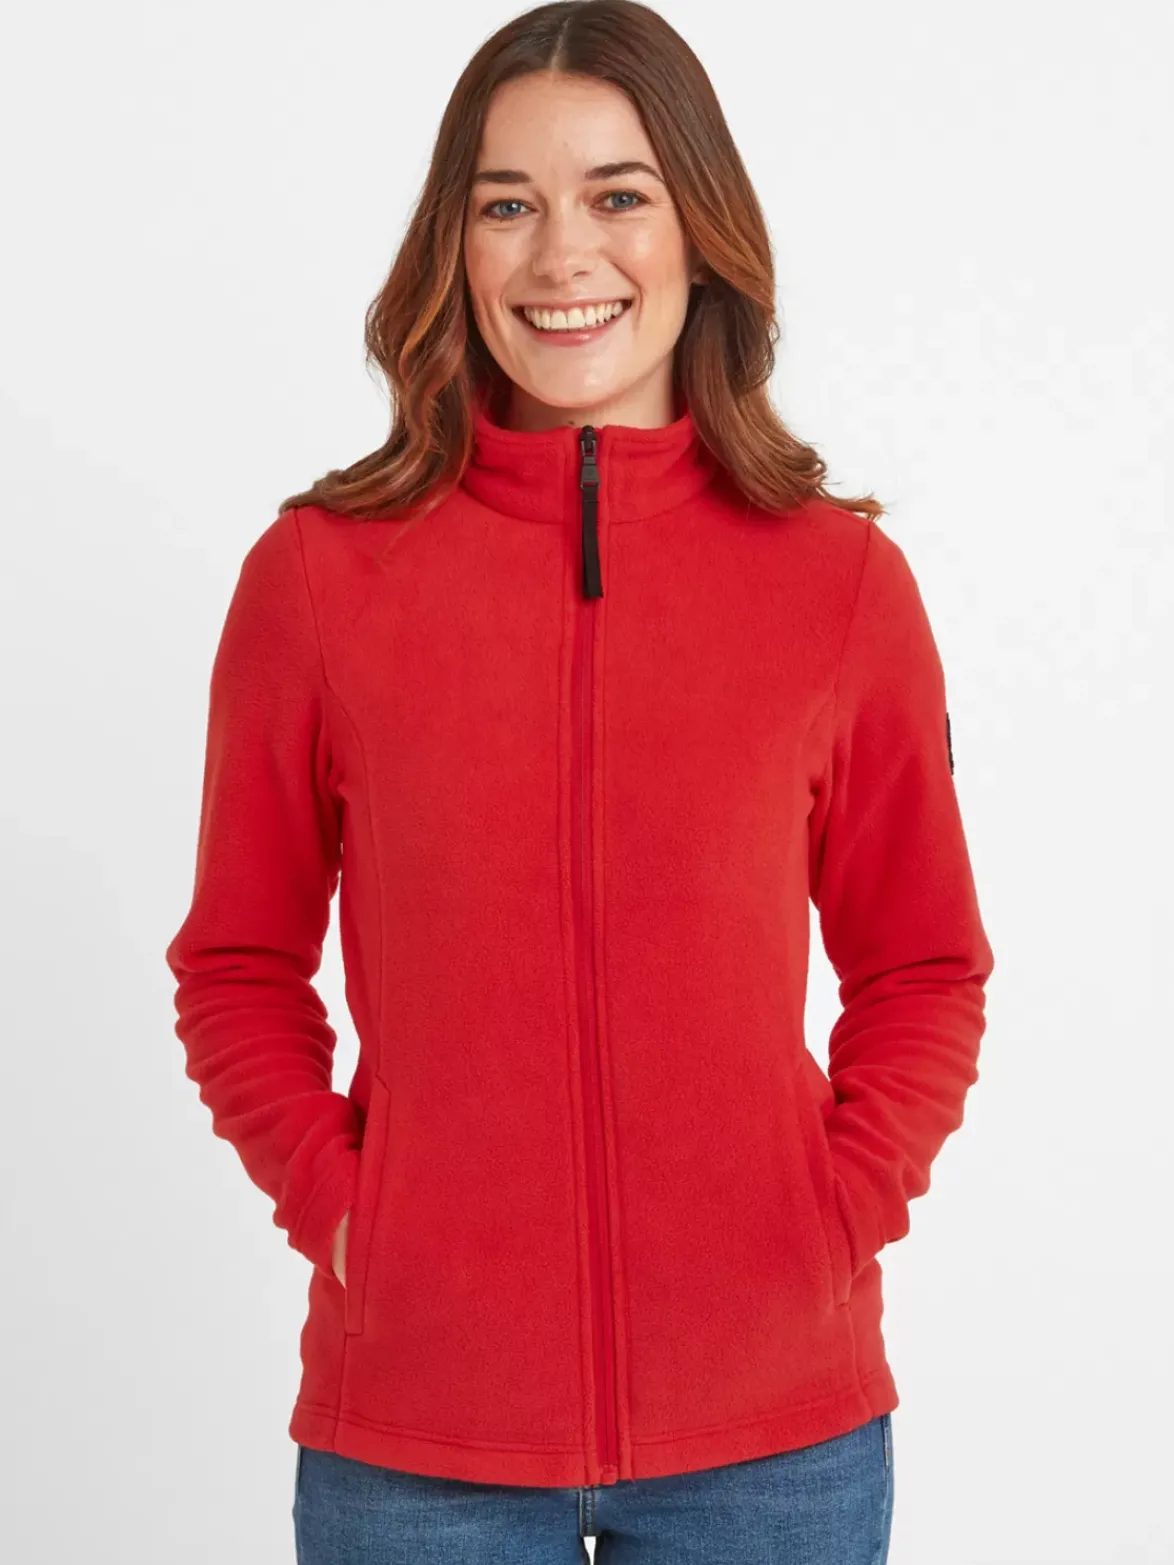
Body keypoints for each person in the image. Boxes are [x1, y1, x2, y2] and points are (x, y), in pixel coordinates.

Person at [164, 2, 994, 1559]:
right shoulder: (319, 578)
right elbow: (235, 965)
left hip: (775, 1437)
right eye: (507, 204)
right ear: (454, 245)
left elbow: (924, 965)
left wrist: (836, 1215)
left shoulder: (838, 583)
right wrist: (346, 1216)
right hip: (419, 1440)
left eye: (618, 194)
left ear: (699, 232)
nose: (563, 256)